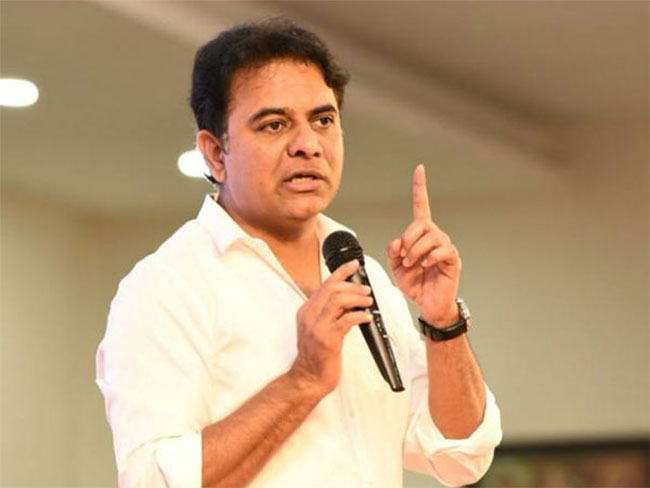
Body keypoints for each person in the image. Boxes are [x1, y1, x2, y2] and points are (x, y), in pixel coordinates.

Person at [96, 18, 502, 488]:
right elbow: (151, 482)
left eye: (323, 120)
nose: (308, 145)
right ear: (215, 154)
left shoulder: (362, 275)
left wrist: (443, 323)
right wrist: (303, 379)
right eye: (274, 125)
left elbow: (460, 456)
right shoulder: (167, 286)